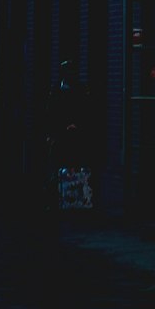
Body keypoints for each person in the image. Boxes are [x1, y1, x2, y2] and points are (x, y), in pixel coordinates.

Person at [45, 60, 91, 209]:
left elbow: (85, 110)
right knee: (58, 166)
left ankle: (72, 199)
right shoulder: (56, 90)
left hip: (74, 133)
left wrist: (76, 124)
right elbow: (51, 112)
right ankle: (57, 198)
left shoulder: (79, 89)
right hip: (60, 133)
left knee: (73, 165)